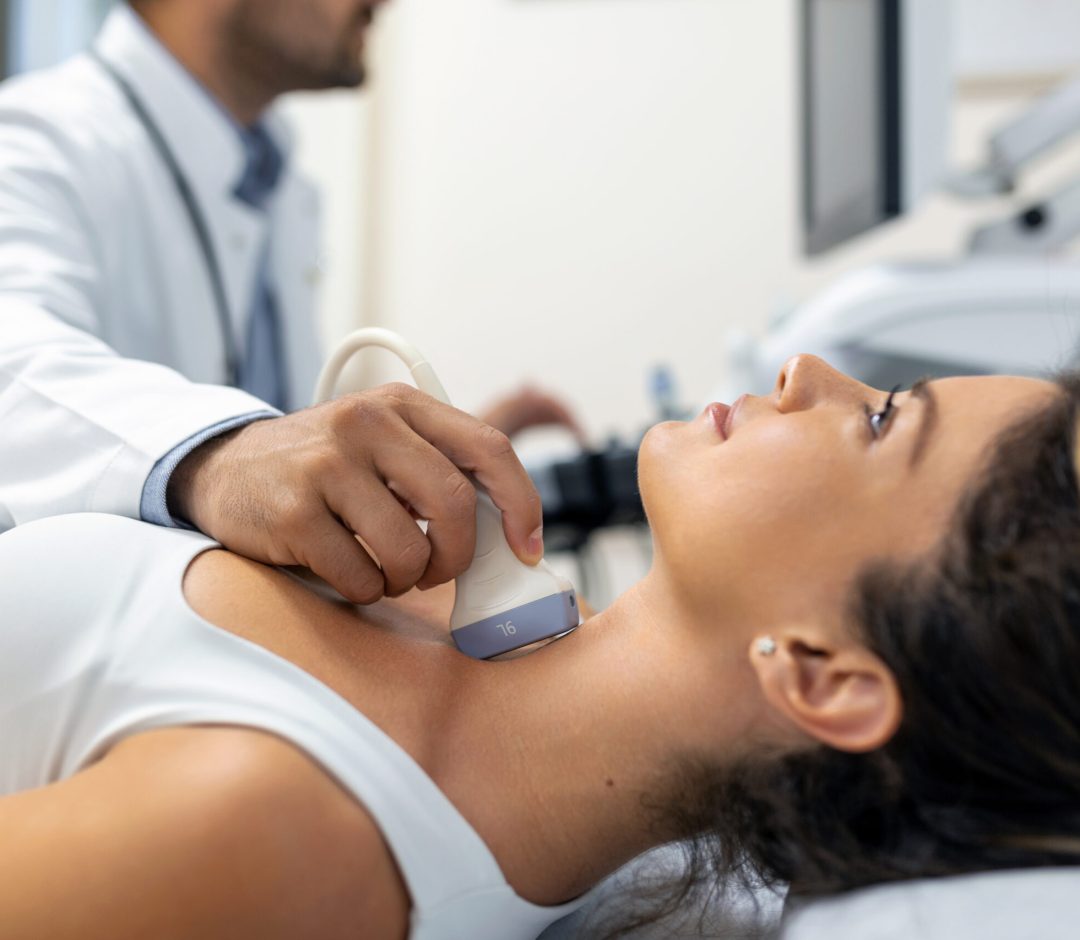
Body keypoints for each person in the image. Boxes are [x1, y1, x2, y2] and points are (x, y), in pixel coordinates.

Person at [2, 354, 1078, 939]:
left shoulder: (284, 840)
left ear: (823, 671)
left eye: (884, 419)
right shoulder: (440, 591)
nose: (808, 373)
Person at [0, 0, 578, 604]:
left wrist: (425, 482)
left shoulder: (278, 183)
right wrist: (221, 455)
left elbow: (288, 476)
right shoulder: (33, 143)